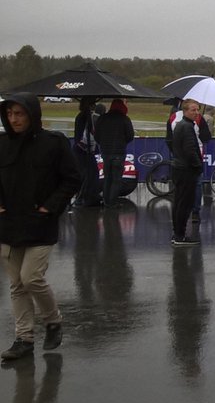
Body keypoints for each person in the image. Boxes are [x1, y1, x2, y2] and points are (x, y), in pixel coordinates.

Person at [0, 94, 81, 361]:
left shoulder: (53, 143)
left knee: (31, 277)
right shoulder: (2, 144)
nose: (14, 119)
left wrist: (50, 207)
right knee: (16, 285)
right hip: (9, 225)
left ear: (32, 115)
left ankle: (53, 320)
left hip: (40, 224)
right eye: (10, 114)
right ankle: (24, 339)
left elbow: (71, 179)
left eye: (19, 114)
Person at [170, 99, 204, 246]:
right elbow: (190, 150)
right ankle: (180, 235)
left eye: (197, 110)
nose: (196, 112)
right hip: (186, 170)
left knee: (179, 203)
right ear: (184, 111)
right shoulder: (186, 126)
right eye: (193, 110)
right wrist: (198, 166)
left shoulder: (183, 125)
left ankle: (178, 233)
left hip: (180, 168)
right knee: (183, 204)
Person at [94, 98, 134, 206]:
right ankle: (112, 202)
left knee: (107, 177)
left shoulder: (102, 118)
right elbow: (130, 136)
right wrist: (123, 142)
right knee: (116, 179)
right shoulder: (125, 119)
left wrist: (102, 144)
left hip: (105, 152)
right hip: (119, 153)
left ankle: (106, 200)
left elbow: (96, 135)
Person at [72, 98, 102, 207]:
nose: (95, 105)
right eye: (93, 103)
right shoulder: (84, 117)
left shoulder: (83, 116)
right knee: (88, 174)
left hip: (82, 149)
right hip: (83, 150)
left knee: (90, 173)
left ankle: (88, 196)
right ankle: (83, 198)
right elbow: (85, 133)